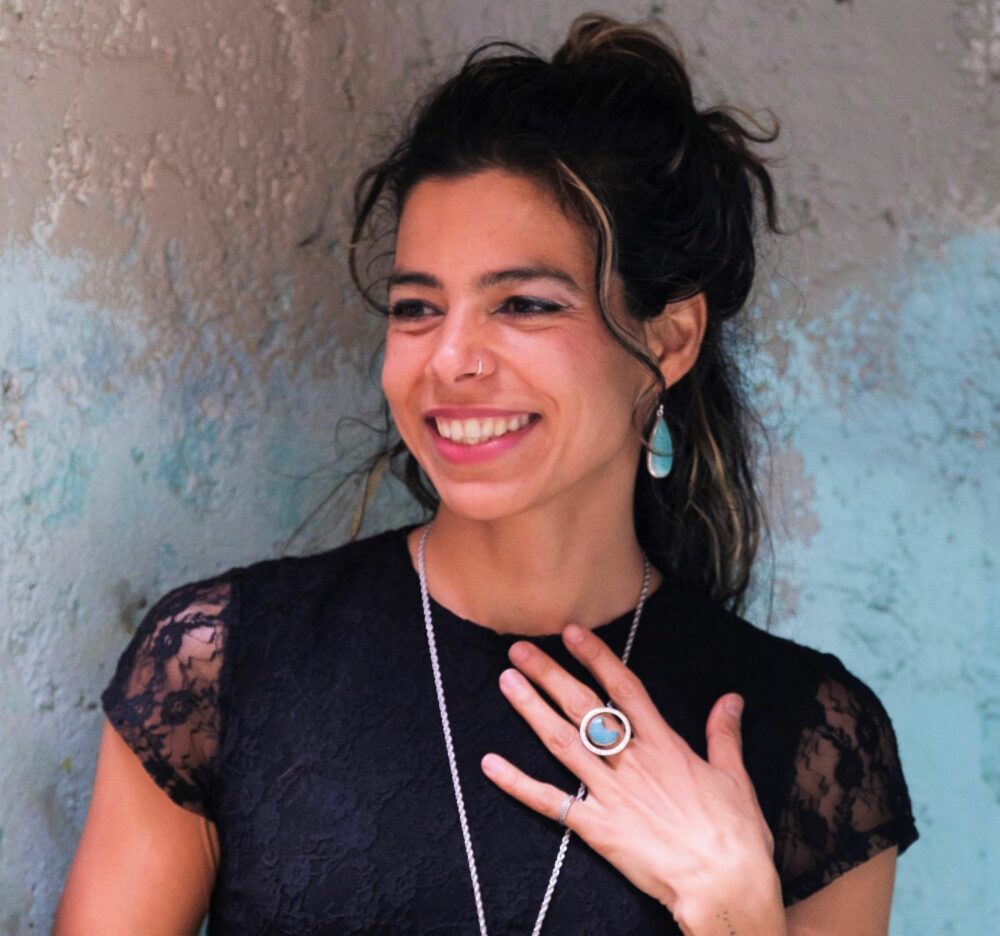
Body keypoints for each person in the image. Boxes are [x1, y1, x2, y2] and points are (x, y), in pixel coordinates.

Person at [55, 14, 918, 935]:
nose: (451, 358)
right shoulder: (218, 667)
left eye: (524, 303)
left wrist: (739, 914)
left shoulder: (811, 739)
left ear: (668, 341)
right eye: (417, 307)